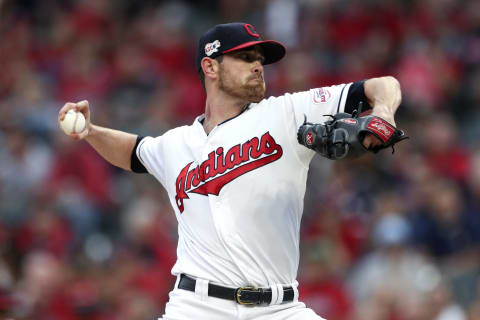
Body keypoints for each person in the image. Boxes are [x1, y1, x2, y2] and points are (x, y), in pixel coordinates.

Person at [58, 22, 402, 320]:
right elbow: (135, 151)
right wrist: (91, 132)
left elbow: (382, 84)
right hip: (196, 306)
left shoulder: (287, 112)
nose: (258, 66)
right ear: (211, 67)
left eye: (260, 60)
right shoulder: (176, 143)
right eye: (245, 57)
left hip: (278, 308)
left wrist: (384, 111)